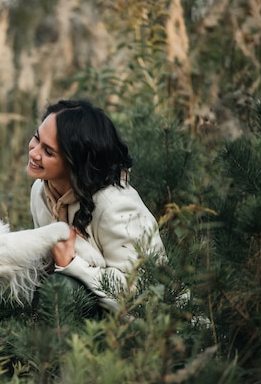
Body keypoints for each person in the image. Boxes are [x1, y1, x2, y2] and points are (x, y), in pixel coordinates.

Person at [27, 99, 165, 313]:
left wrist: (72, 263)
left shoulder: (116, 207)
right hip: (89, 310)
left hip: (147, 323)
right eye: (36, 138)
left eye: (48, 151)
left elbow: (142, 293)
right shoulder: (40, 190)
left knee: (62, 289)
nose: (34, 153)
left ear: (75, 162)